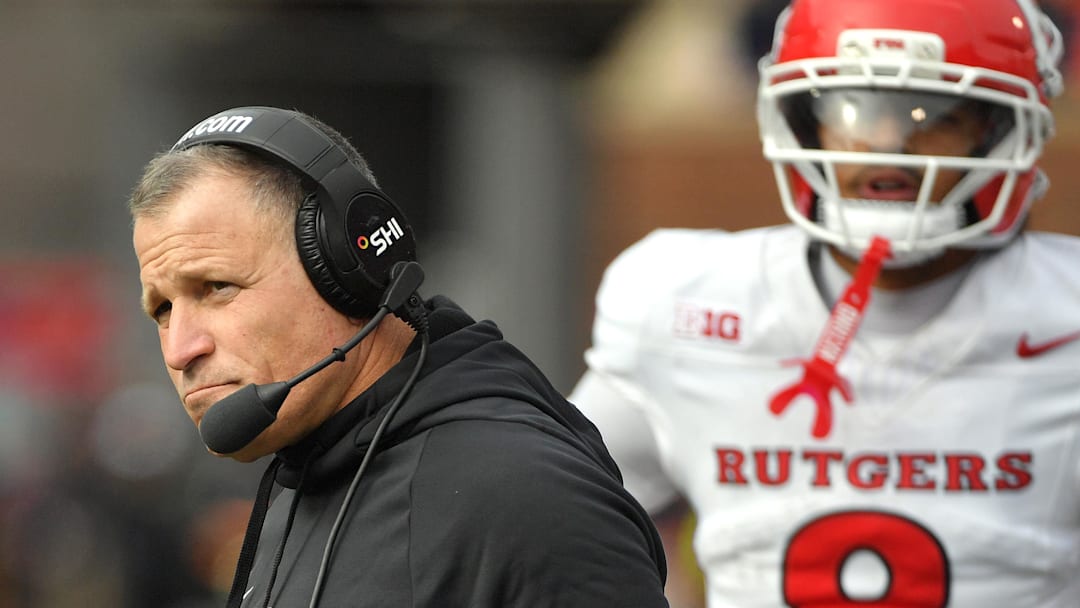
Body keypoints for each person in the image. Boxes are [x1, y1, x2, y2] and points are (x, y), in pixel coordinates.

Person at [570, 0, 1080, 606]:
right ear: (799, 118)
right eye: (851, 107)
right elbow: (566, 522)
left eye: (935, 112)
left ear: (1007, 131)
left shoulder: (1064, 313)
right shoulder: (685, 302)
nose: (887, 144)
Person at [128, 105, 669, 608]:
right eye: (162, 310)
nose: (180, 349)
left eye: (217, 287)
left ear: (345, 268)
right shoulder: (307, 481)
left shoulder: (524, 497)